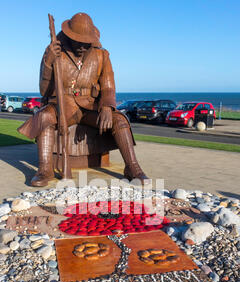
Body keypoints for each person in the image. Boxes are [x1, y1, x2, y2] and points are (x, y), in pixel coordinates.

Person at [18, 12, 148, 187]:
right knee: (43, 117)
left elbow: (109, 87)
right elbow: (44, 90)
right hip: (63, 106)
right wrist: (48, 62)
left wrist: (108, 107)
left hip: (90, 107)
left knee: (119, 119)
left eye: (85, 42)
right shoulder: (54, 52)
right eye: (77, 41)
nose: (81, 46)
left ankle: (132, 167)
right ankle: (45, 169)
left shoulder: (102, 55)